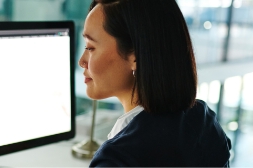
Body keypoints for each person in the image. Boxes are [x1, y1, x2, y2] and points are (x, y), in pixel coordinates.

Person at [79, 0, 231, 166]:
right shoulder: (202, 119)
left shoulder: (118, 159)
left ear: (136, 56)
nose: (82, 61)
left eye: (90, 47)